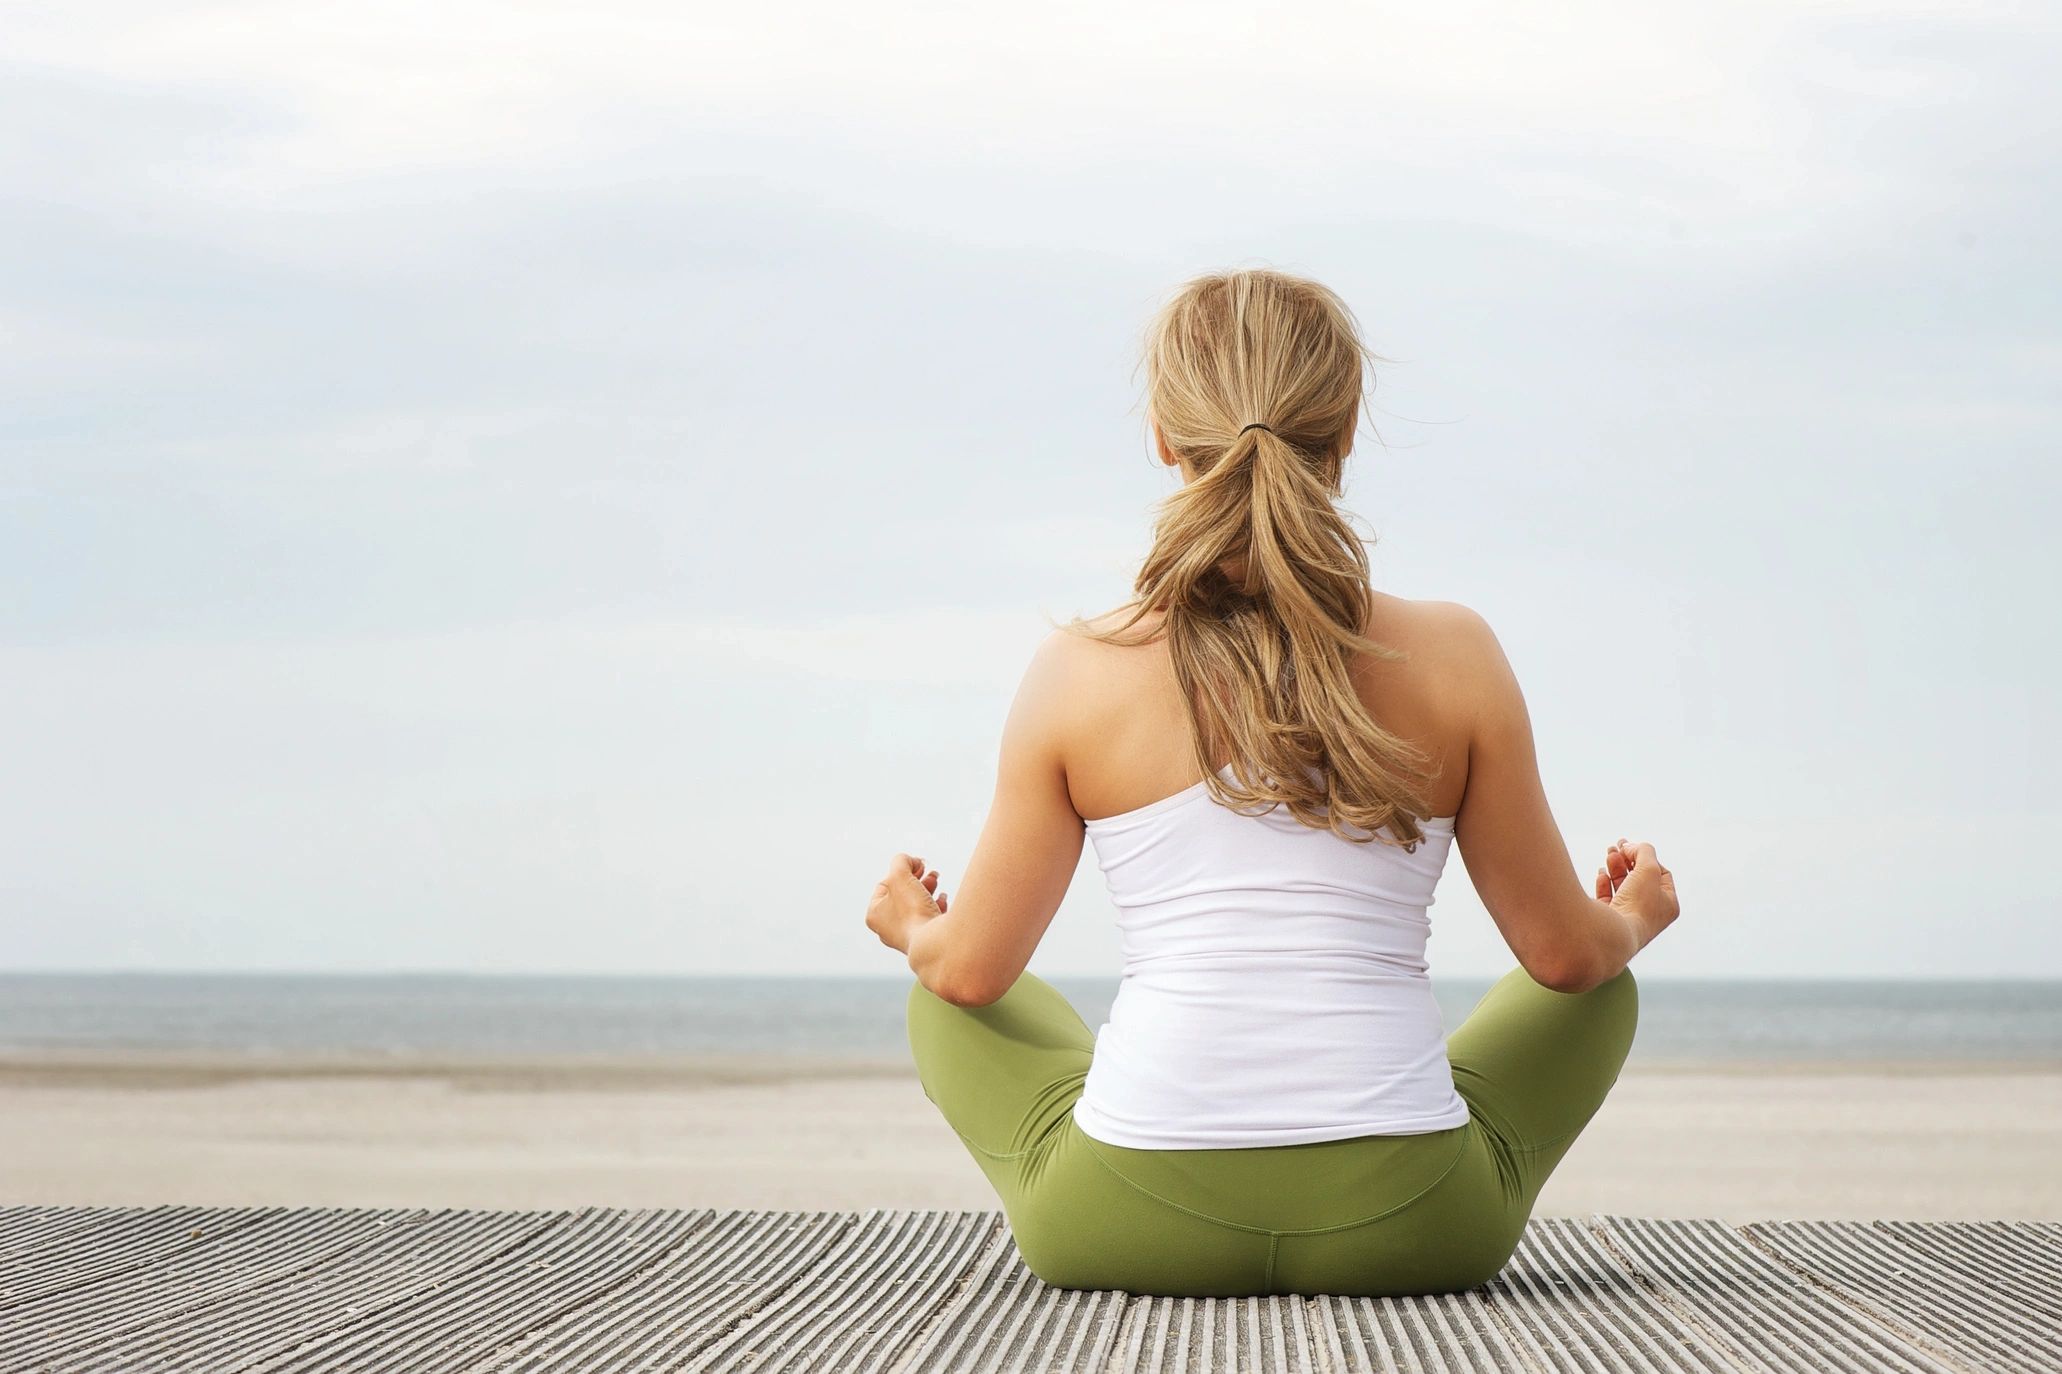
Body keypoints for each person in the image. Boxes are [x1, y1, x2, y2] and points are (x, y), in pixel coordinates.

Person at [862, 267, 1681, 1298]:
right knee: (1597, 994)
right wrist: (1632, 919)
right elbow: (1563, 958)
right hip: (1413, 1223)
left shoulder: (1077, 669)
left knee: (947, 1000)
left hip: (1121, 1219)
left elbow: (972, 974)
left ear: (1164, 434)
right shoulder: (1458, 653)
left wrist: (913, 930)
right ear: (1343, 437)